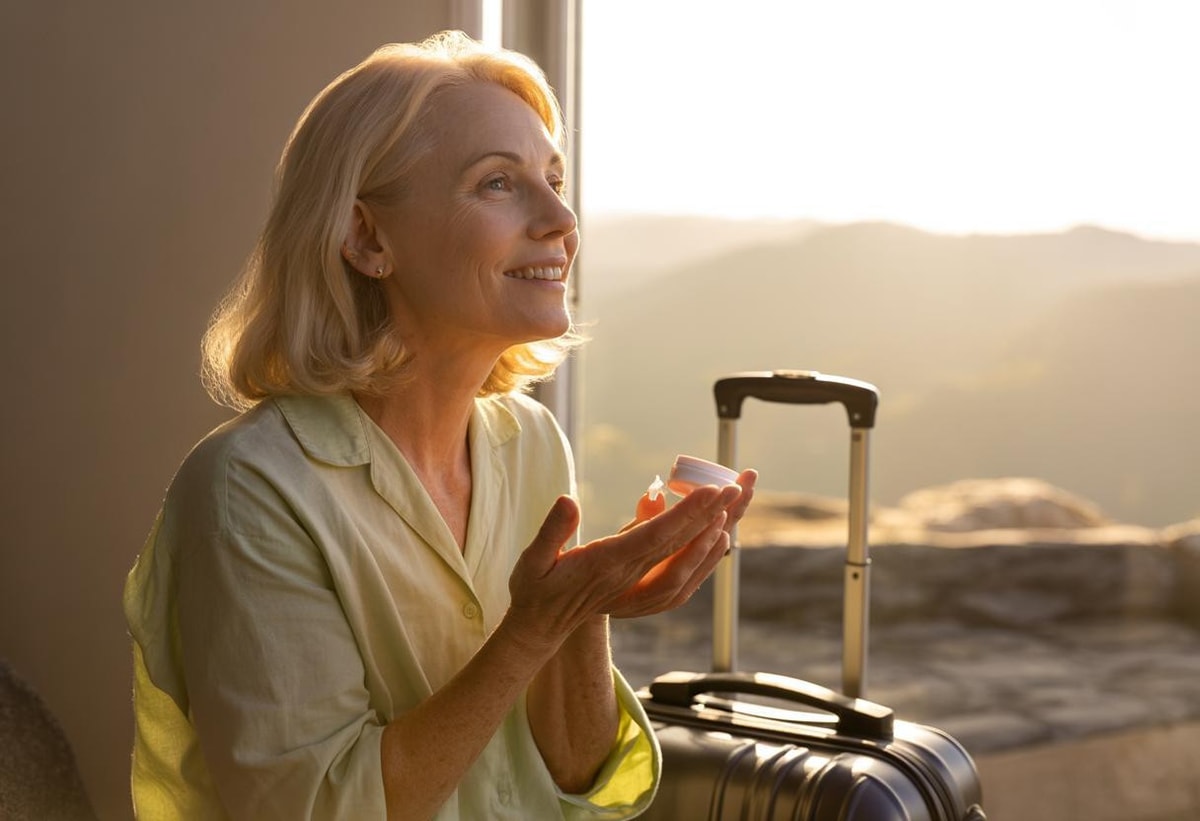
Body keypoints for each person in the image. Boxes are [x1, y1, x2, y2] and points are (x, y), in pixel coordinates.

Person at [123, 30, 756, 821]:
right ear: (366, 239)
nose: (561, 218)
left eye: (554, 180)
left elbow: (580, 776)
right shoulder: (249, 489)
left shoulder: (529, 444)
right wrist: (532, 630)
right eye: (499, 183)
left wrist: (585, 604)